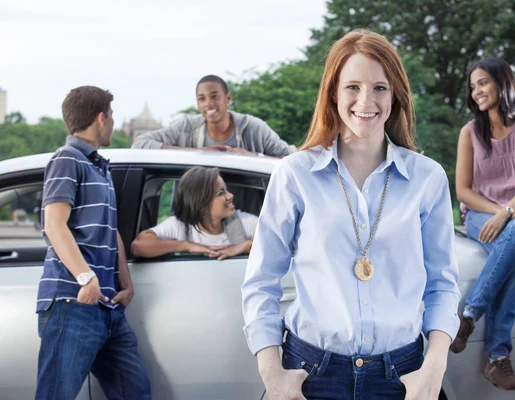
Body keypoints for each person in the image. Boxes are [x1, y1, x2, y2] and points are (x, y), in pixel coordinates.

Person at [241, 29, 460, 400]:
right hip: (310, 375)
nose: (366, 100)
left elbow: (443, 285)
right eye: (352, 87)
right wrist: (272, 374)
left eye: (379, 88)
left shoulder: (428, 178)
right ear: (333, 94)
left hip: (403, 378)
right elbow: (261, 280)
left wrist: (433, 369)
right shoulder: (294, 174)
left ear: (396, 95)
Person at [35, 86, 151, 400]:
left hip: (107, 306)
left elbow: (111, 232)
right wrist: (86, 278)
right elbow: (54, 225)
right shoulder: (66, 159)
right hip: (72, 302)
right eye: (111, 116)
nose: (113, 123)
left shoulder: (100, 167)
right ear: (101, 118)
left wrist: (126, 283)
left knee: (135, 393)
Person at [451, 58, 515, 390]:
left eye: (483, 83)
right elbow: (463, 190)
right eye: (473, 85)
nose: (477, 91)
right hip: (481, 213)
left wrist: (509, 210)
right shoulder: (469, 132)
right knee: (513, 259)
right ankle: (497, 358)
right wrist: (500, 211)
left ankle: (468, 316)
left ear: (502, 83)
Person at [132, 75, 295, 157]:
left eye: (214, 96)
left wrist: (253, 158)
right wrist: (197, 153)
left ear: (228, 98)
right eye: (201, 99)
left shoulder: (253, 128)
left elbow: (290, 156)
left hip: (246, 215)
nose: (208, 104)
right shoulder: (186, 127)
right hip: (196, 215)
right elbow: (140, 143)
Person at [130, 166, 256, 261]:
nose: (230, 196)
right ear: (201, 203)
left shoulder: (242, 222)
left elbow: (274, 241)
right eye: (221, 193)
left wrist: (247, 245)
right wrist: (187, 246)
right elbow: (138, 246)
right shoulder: (179, 225)